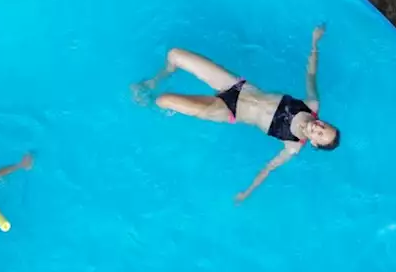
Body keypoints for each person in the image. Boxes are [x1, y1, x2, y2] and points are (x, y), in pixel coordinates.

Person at [135, 25, 340, 202]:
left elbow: (268, 168)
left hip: (227, 110)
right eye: (324, 126)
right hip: (236, 85)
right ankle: (155, 80)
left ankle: (147, 101)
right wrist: (315, 42)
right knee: (175, 54)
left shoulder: (293, 145)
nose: (319, 127)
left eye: (320, 135)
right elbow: (311, 74)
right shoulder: (311, 105)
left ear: (314, 143)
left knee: (165, 100)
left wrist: (247, 192)